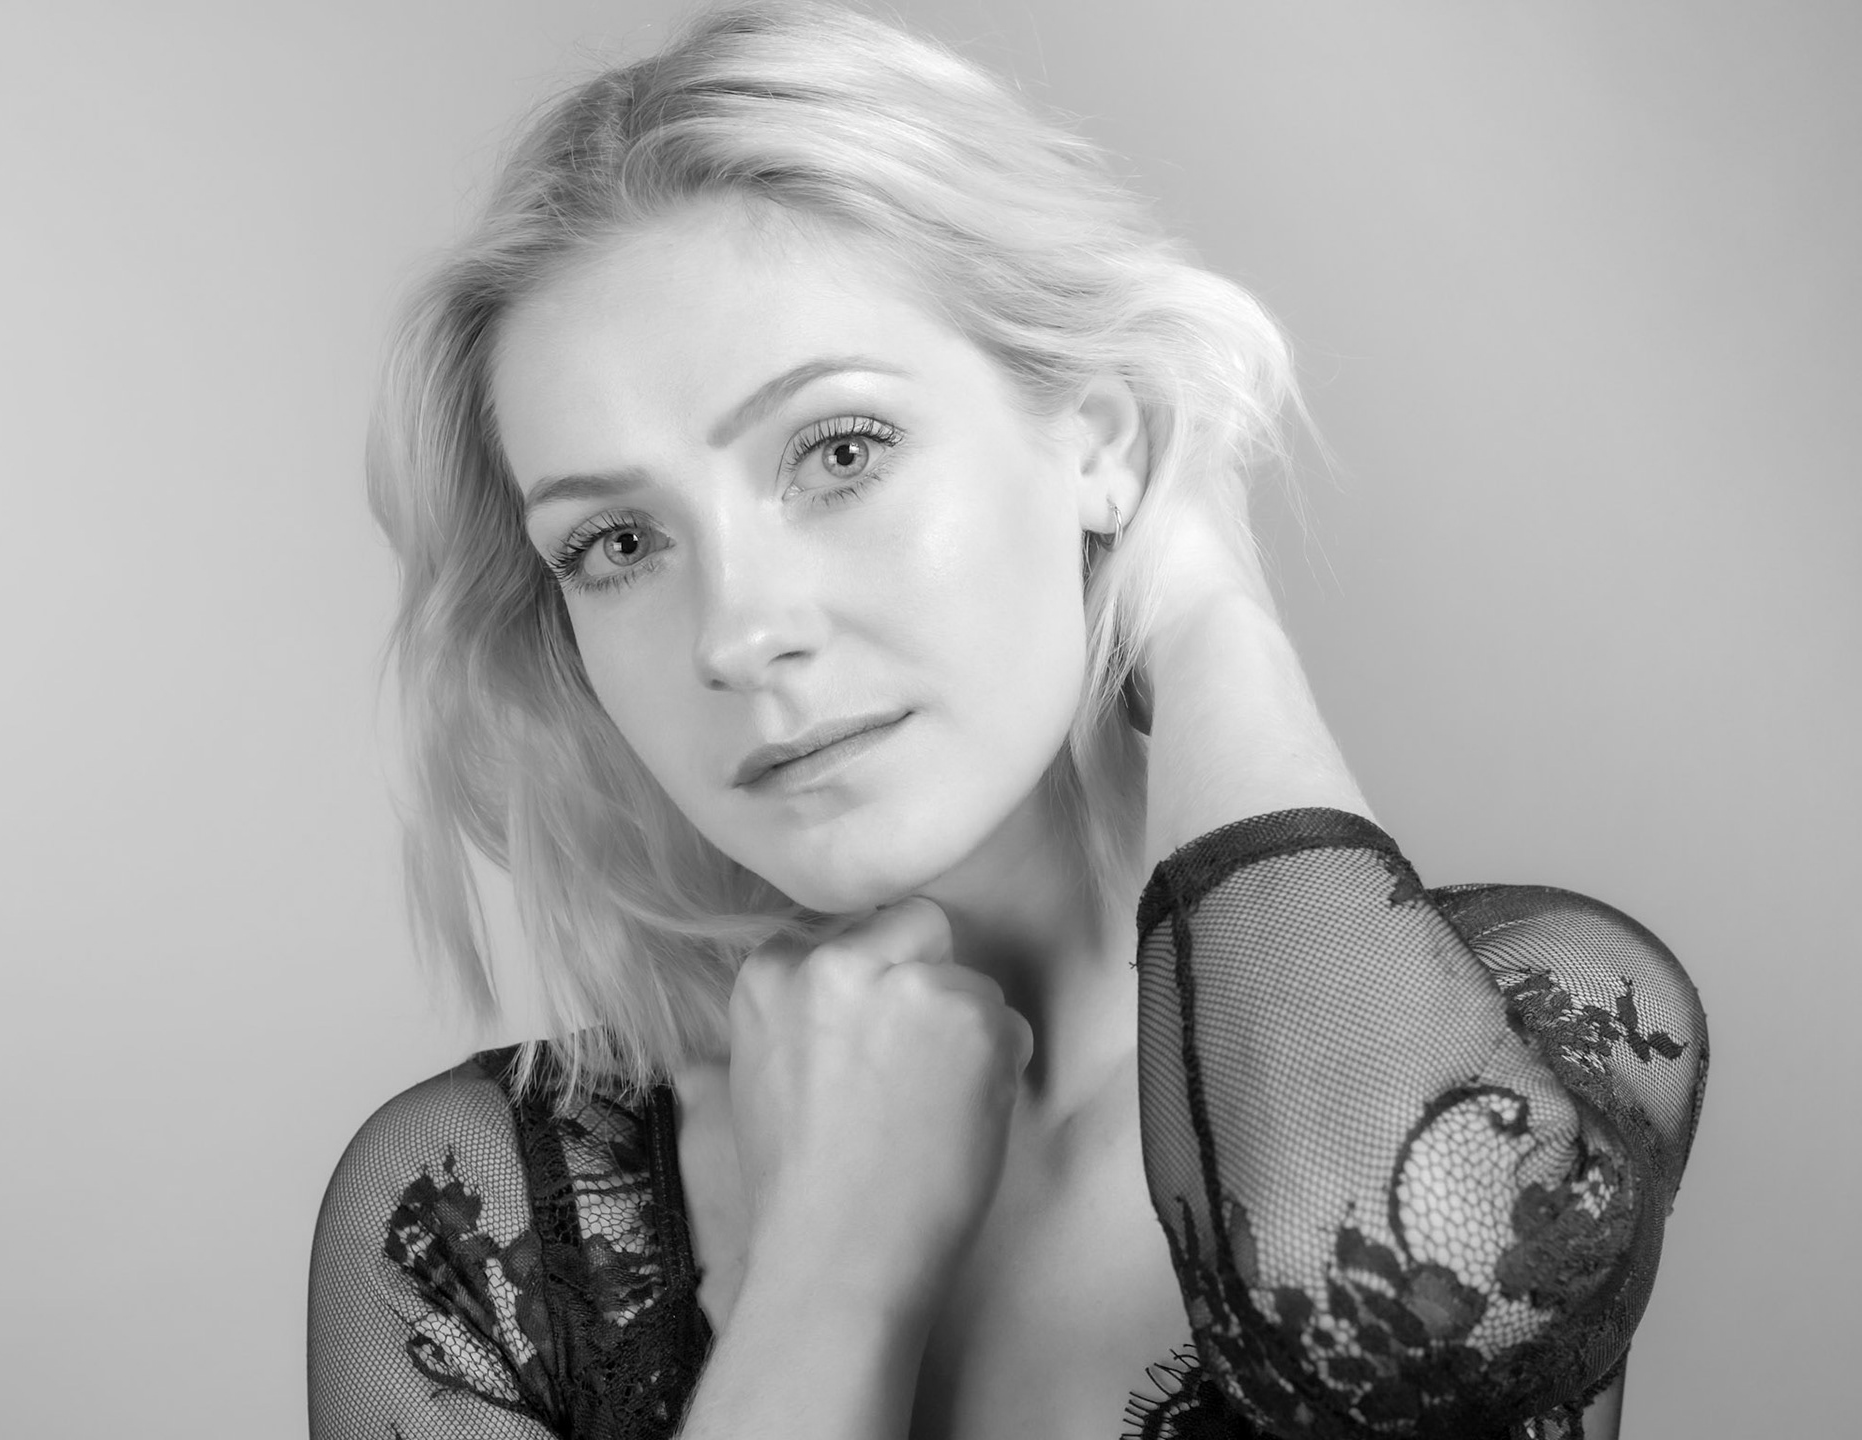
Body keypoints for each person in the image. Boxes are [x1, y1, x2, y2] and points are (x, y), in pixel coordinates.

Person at [307, 4, 1708, 1437]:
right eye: (616, 544)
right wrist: (835, 1265)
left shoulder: (1527, 1026)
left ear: (1097, 437)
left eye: (839, 452)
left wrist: (1212, 614)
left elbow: (1414, 1336)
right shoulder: (473, 1222)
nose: (737, 633)